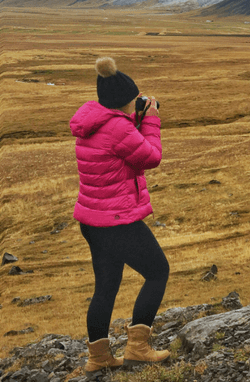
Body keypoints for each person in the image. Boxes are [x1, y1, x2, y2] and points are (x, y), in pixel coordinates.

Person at [70, 57, 170, 376]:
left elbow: (126, 153)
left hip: (93, 220)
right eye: (134, 99)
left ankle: (99, 357)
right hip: (118, 220)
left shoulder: (95, 123)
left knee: (106, 286)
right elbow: (150, 157)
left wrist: (134, 120)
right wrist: (151, 120)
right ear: (124, 100)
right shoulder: (117, 127)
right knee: (157, 271)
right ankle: (138, 348)